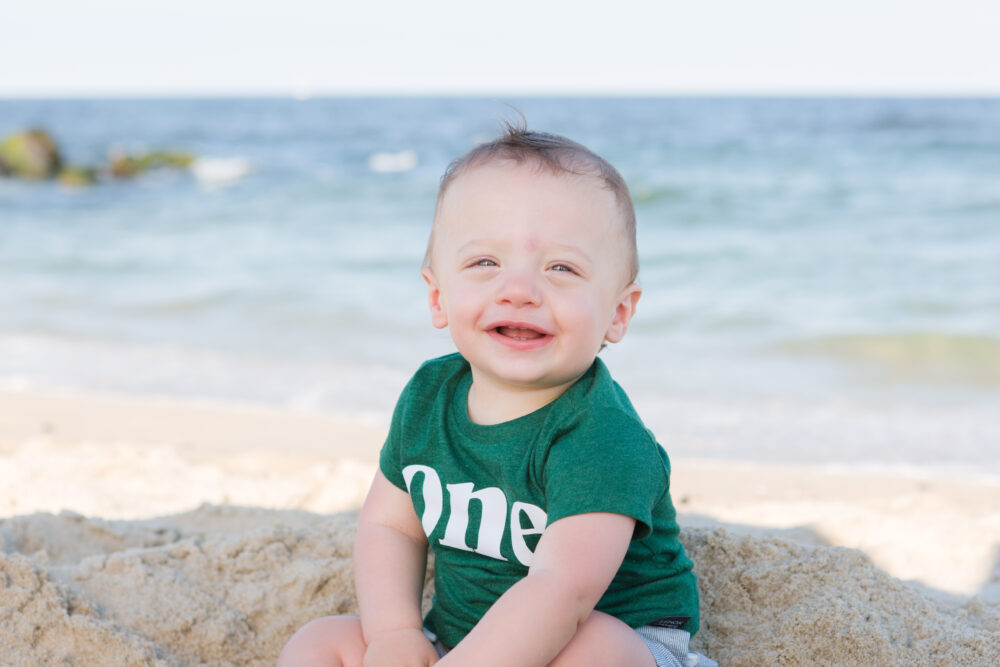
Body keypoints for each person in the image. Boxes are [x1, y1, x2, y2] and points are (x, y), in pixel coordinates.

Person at [278, 121, 713, 667]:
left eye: (561, 267)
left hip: (611, 637)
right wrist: (394, 633)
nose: (519, 290)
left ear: (618, 313)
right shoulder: (428, 397)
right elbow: (389, 524)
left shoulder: (603, 437)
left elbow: (562, 592)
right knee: (319, 642)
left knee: (595, 645)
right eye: (486, 263)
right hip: (463, 638)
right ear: (437, 297)